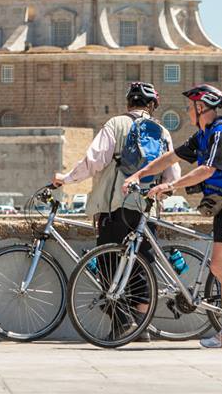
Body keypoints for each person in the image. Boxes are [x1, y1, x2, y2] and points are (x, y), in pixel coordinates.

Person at [122, 84, 222, 348]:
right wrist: (138, 175)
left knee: (219, 267)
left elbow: (208, 170)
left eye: (190, 107)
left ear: (201, 108)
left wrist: (170, 186)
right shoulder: (204, 136)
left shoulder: (220, 134)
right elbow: (169, 158)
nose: (188, 111)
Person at [52, 82, 180, 340]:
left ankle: (124, 323)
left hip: (114, 207)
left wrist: (65, 179)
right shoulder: (162, 131)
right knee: (143, 268)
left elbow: (94, 160)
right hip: (145, 210)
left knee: (109, 267)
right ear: (152, 106)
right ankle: (139, 327)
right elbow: (172, 175)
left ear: (128, 103)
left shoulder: (115, 124)